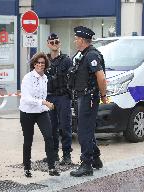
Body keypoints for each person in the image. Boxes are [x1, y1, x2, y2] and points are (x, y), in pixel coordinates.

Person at [69, 26, 107, 177]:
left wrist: (103, 95)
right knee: (86, 129)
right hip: (82, 97)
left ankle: (86, 165)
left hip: (88, 98)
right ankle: (95, 159)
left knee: (84, 132)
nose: (75, 41)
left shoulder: (91, 55)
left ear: (82, 40)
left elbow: (101, 78)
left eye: (76, 39)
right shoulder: (83, 54)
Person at [19, 52, 60, 178]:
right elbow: (26, 98)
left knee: (49, 137)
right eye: (38, 63)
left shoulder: (45, 78)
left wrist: (44, 104)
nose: (40, 65)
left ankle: (52, 167)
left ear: (45, 64)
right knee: (28, 140)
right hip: (27, 112)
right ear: (34, 64)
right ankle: (27, 167)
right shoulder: (28, 78)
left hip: (41, 112)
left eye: (42, 63)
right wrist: (43, 102)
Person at [43, 33, 73, 165]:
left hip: (63, 97)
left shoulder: (66, 60)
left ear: (59, 43)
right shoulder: (44, 60)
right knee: (51, 127)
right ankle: (53, 154)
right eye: (52, 42)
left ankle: (66, 155)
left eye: (57, 42)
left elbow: (72, 79)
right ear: (48, 44)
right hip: (49, 97)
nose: (54, 44)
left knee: (65, 127)